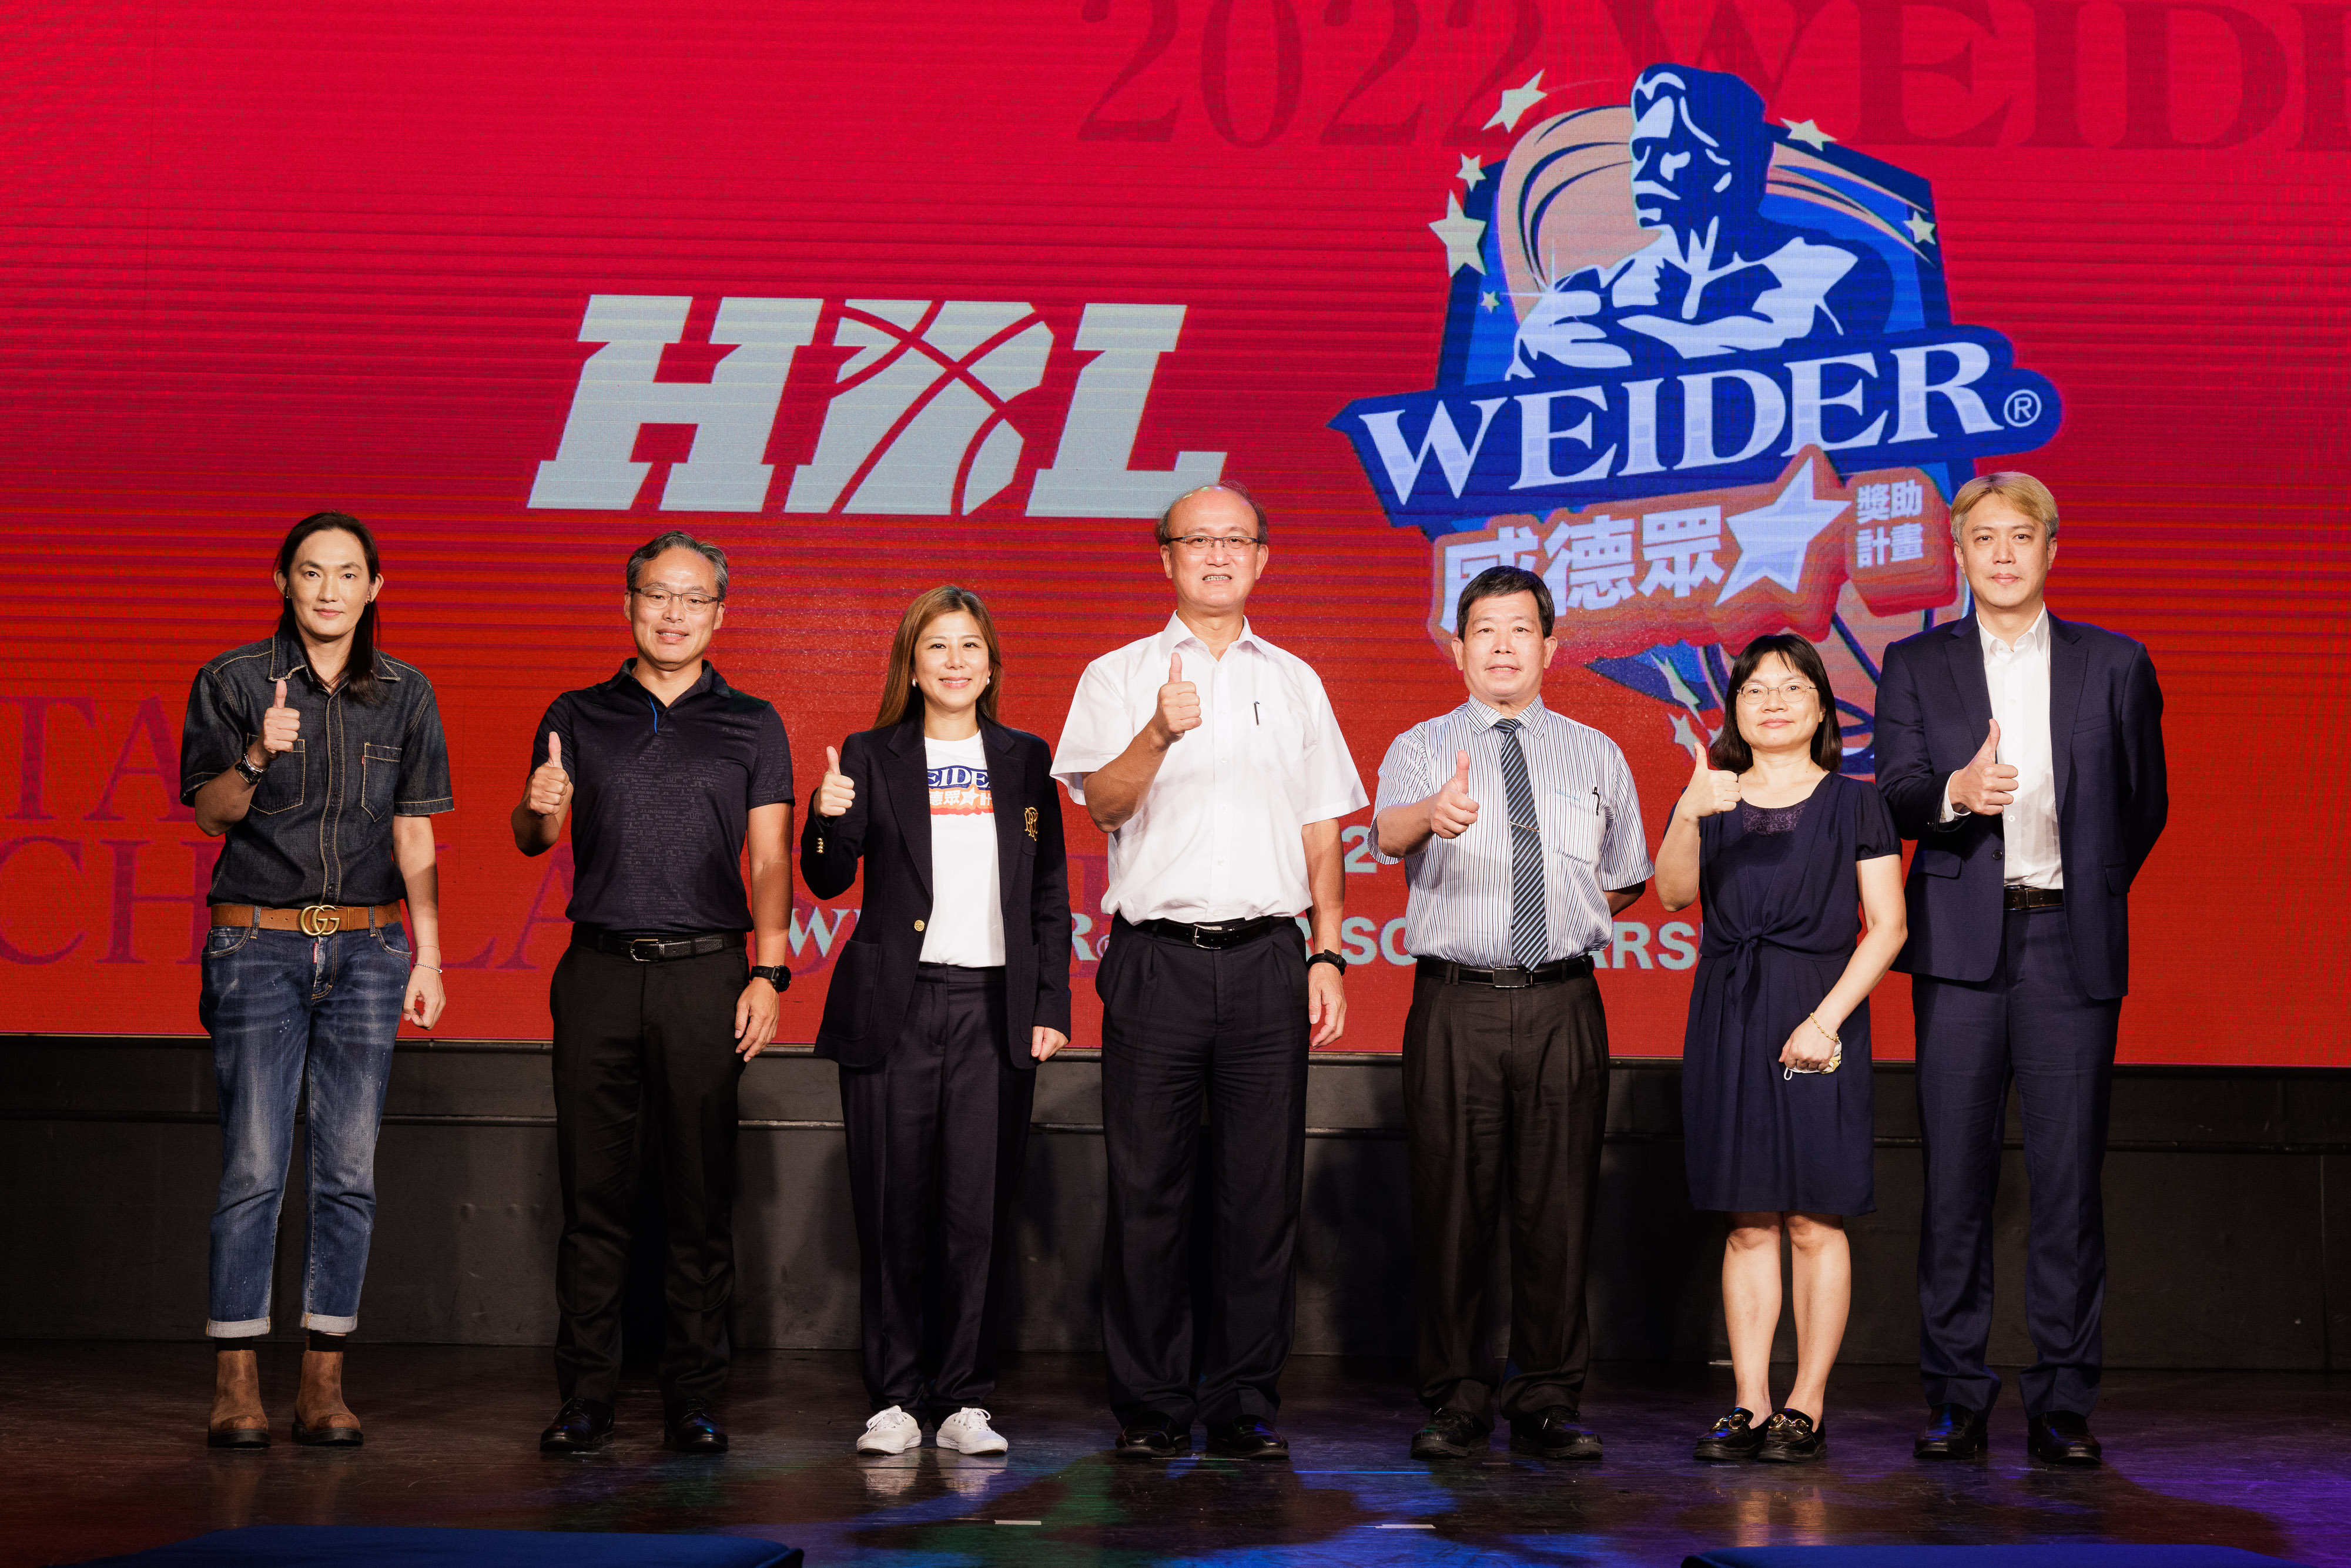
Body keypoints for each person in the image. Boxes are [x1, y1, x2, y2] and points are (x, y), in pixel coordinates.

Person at [1051, 483, 1367, 1461]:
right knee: (1148, 1188)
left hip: (1270, 957)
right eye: (1199, 540)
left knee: (1259, 1194)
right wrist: (1155, 732)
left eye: (1237, 539)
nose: (1219, 554)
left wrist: (1327, 948)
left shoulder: (1297, 680)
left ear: (1263, 557)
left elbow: (1322, 827)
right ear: (1167, 557)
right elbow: (1102, 806)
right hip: (1157, 961)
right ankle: (1150, 1406)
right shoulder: (1117, 675)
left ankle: (1242, 1402)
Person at [1876, 472, 2168, 1468]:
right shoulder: (1915, 663)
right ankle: (1957, 1397)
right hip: (1961, 950)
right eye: (1984, 537)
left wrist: (2088, 885)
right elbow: (1897, 794)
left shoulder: (2115, 662)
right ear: (1957, 552)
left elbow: (2144, 804)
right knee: (1954, 1182)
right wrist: (1957, 792)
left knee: (2069, 1183)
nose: (2003, 554)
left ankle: (2063, 1402)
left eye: (2022, 535)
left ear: (2051, 548)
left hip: (2068, 947)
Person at [516, 530, 793, 1457]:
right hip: (596, 971)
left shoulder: (752, 722)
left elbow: (769, 859)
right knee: (593, 1198)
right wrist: (541, 808)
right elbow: (531, 836)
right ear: (628, 604)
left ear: (719, 613)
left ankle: (694, 1399)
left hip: (707, 973)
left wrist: (769, 970)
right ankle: (586, 1397)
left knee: (697, 1200)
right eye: (657, 595)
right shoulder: (576, 713)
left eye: (693, 598)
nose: (674, 613)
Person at [180, 511, 452, 1449]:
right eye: (310, 572)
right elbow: (211, 815)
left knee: (348, 1172)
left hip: (371, 951)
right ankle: (236, 1385)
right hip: (258, 945)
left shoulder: (407, 693)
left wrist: (430, 956)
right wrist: (258, 754)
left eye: (346, 574)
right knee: (254, 1165)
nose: (329, 590)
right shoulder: (231, 680)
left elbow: (414, 832)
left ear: (375, 588)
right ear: (282, 583)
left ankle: (323, 1385)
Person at [1369, 565, 1652, 1463]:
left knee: (1557, 1209)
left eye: (1520, 629)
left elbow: (1626, 876)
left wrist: (1564, 921)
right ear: (1458, 649)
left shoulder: (1596, 753)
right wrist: (1433, 813)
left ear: (1550, 647)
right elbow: (1386, 834)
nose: (1502, 646)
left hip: (1564, 1000)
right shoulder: (1422, 747)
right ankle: (1456, 1397)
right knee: (1452, 1207)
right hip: (1456, 1002)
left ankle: (1548, 1397)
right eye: (1484, 630)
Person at [801, 586, 1073, 1459]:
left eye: (970, 646)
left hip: (994, 1008)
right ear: (912, 668)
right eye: (937, 648)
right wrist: (824, 820)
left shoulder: (1026, 759)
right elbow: (828, 879)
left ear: (990, 665)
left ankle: (963, 1400)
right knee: (893, 1209)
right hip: (897, 1005)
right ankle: (894, 1399)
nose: (955, 662)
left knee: (975, 1212)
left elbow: (1049, 892)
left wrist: (1050, 1004)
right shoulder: (869, 753)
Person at [1655, 633, 1905, 1465]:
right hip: (1728, 1011)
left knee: (1812, 1216)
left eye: (1793, 687)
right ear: (1732, 708)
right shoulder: (1710, 796)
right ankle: (1749, 1402)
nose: (1772, 702)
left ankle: (1806, 1403)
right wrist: (1689, 811)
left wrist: (1825, 1020)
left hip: (1818, 1011)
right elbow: (1673, 895)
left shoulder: (1856, 803)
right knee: (1748, 1217)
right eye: (1755, 688)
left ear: (1822, 708)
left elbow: (1888, 927)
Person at [1510, 62, 1892, 376]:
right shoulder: (1595, 289)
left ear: (1729, 160)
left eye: (1670, 150)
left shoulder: (1834, 267)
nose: (1644, 170)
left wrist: (1626, 337)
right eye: (1641, 152)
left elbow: (1780, 353)